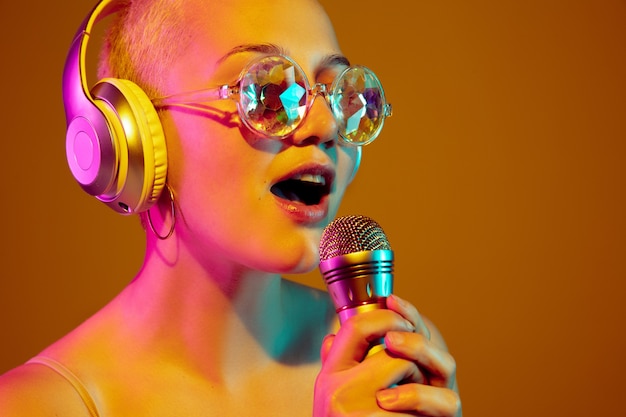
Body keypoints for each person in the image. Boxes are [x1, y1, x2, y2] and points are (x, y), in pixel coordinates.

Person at [0, 0, 461, 415]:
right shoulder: (37, 407)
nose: (325, 125)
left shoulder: (396, 361)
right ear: (131, 139)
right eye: (264, 90)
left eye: (337, 92)